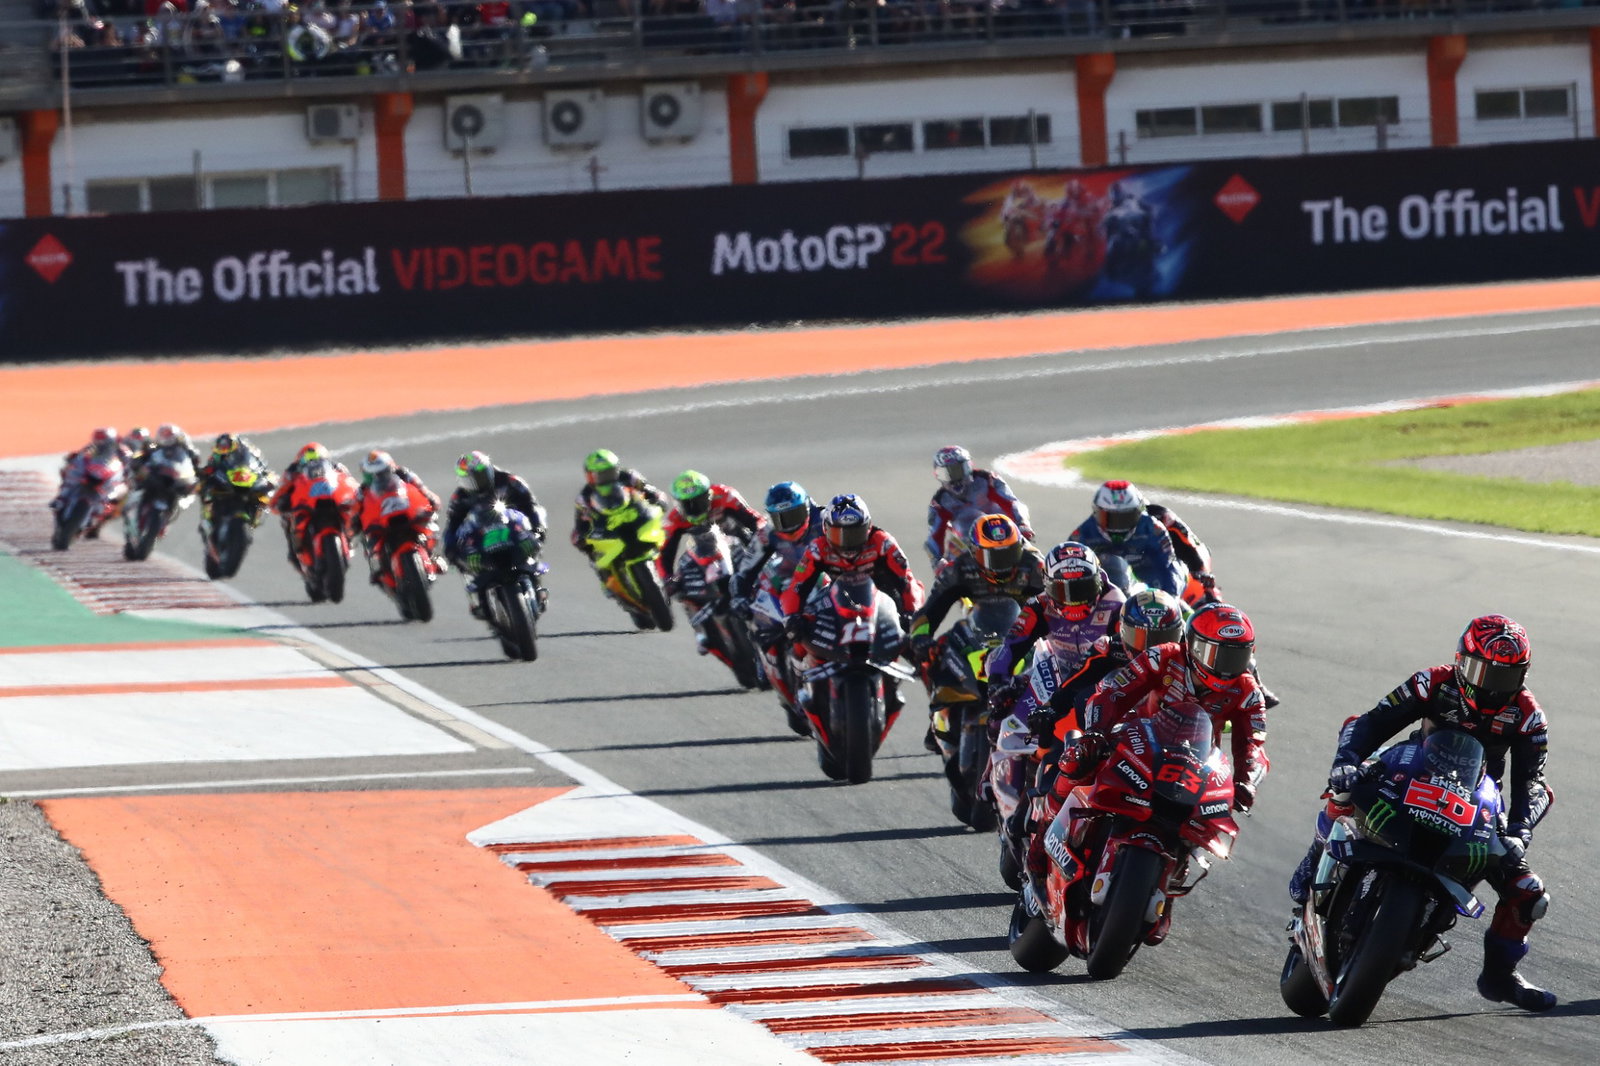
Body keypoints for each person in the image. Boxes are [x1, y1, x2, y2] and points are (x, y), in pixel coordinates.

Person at [1286, 615, 1555, 1011]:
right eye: (1481, 671)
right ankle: (1313, 864)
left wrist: (1520, 830)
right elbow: (1372, 722)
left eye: (1504, 677)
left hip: (1477, 800)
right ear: (1461, 661)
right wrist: (1347, 760)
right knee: (1346, 788)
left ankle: (1499, 977)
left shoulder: (1528, 716)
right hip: (1413, 770)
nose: (1489, 685)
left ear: (1523, 675)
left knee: (1529, 894)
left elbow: (1533, 782)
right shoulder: (1432, 682)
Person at [1065, 601, 1267, 814]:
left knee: (1211, 818)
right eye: (1219, 656)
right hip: (1138, 744)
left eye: (1238, 658)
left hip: (1195, 766)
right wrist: (1096, 731)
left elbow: (1253, 744)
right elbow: (1113, 694)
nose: (1227, 668)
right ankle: (1045, 830)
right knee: (1078, 762)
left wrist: (1246, 781)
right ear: (1195, 645)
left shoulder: (1248, 691)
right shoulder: (1162, 656)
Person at [985, 541, 1126, 688]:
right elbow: (1010, 647)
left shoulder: (1116, 605)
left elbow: (1132, 656)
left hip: (1104, 679)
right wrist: (998, 683)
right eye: (1062, 590)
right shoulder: (1038, 606)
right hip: (1057, 673)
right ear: (1047, 585)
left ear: (1098, 581)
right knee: (1004, 694)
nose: (1073, 599)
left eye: (1083, 588)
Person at [444, 451, 548, 617]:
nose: (477, 482)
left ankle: (536, 582)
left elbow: (531, 506)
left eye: (480, 475)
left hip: (511, 528)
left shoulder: (510, 481)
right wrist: (450, 548)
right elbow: (452, 526)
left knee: (531, 541)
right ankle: (476, 598)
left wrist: (538, 528)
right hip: (482, 537)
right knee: (462, 561)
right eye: (471, 479)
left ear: (489, 470)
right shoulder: (460, 496)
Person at [1068, 479, 1186, 598]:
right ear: (1096, 512)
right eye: (1110, 518)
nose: (1117, 527)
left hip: (1149, 582)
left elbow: (1168, 565)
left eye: (1125, 518)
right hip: (1106, 590)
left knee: (1181, 583)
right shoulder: (1081, 535)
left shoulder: (1153, 529)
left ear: (1138, 513)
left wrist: (1171, 598)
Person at [925, 445, 1034, 567]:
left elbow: (1012, 503)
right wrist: (937, 561)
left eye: (959, 471)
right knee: (948, 575)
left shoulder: (987, 480)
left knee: (1034, 558)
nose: (955, 479)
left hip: (1002, 533)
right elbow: (934, 537)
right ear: (938, 475)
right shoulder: (940, 502)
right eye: (947, 474)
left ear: (969, 467)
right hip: (967, 545)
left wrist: (1022, 524)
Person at [656, 470, 765, 582]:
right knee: (680, 573)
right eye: (687, 505)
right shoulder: (674, 519)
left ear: (709, 494)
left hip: (737, 545)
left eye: (699, 501)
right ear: (677, 504)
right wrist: (667, 579)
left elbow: (755, 519)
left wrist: (763, 540)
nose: (694, 508)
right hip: (704, 554)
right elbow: (663, 553)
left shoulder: (725, 495)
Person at [357, 449, 445, 573]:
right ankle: (377, 566)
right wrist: (355, 522)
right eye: (373, 475)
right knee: (365, 538)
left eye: (381, 473)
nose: (378, 477)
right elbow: (355, 508)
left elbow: (422, 488)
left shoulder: (404, 474)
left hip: (406, 510)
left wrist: (431, 498)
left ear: (390, 468)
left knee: (431, 519)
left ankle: (433, 555)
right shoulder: (362, 490)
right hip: (381, 520)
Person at [570, 448, 669, 558]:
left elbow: (652, 492)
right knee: (594, 554)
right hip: (608, 529)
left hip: (635, 518)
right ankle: (607, 573)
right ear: (589, 477)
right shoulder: (584, 497)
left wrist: (658, 501)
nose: (604, 479)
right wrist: (581, 539)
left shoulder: (630, 477)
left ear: (616, 470)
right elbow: (579, 528)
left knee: (665, 532)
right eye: (598, 476)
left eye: (608, 473)